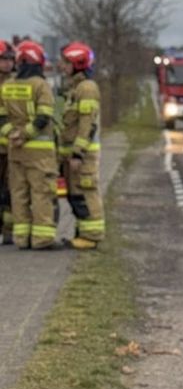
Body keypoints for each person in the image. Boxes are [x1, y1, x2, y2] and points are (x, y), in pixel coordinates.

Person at [0, 40, 59, 250]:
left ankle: (21, 238)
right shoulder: (41, 85)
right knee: (41, 193)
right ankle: (42, 239)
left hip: (15, 150)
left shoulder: (8, 86)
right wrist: (25, 134)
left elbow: (1, 118)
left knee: (18, 194)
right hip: (39, 153)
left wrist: (12, 136)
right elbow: (44, 116)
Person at [59, 41, 103, 249]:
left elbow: (87, 124)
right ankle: (82, 232)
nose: (62, 66)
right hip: (73, 155)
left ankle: (92, 236)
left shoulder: (87, 88)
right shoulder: (76, 87)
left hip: (83, 155)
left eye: (66, 63)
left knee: (86, 192)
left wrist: (78, 153)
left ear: (77, 64)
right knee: (76, 194)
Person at [0, 40, 14, 244]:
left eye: (10, 59)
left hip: (12, 148)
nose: (8, 63)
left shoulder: (17, 83)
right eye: (3, 59)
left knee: (11, 192)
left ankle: (9, 232)